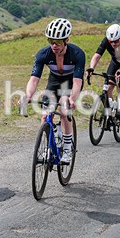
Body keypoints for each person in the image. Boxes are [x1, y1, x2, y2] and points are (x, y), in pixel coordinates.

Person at [24, 18, 85, 164]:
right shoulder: (43, 54)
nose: (53, 45)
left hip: (70, 82)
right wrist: (28, 95)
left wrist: (72, 99)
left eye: (57, 42)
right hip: (54, 81)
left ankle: (68, 148)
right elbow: (34, 79)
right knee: (46, 115)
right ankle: (49, 144)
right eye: (50, 41)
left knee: (64, 109)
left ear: (66, 40)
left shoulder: (77, 54)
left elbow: (77, 82)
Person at [86, 23, 120, 116]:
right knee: (109, 85)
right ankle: (111, 110)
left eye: (116, 41)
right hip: (115, 62)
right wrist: (91, 68)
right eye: (111, 42)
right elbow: (97, 56)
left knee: (119, 76)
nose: (113, 44)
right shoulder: (106, 41)